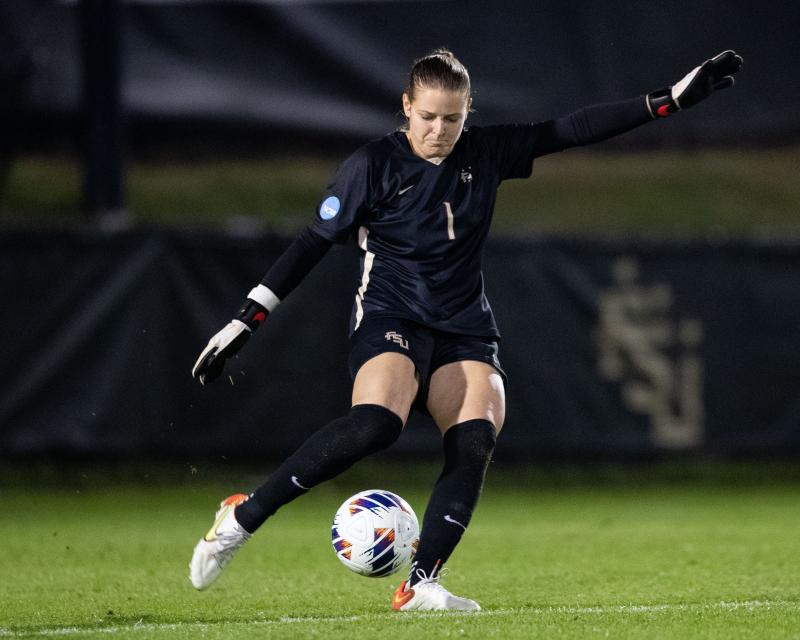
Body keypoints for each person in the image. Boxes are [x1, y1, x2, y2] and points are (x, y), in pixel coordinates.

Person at [188, 48, 742, 611]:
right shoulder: (373, 164)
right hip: (391, 314)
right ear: (406, 106)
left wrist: (667, 101)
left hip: (463, 324)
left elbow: (570, 128)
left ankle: (420, 582)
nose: (439, 129)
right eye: (427, 116)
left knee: (476, 435)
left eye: (452, 118)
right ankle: (241, 518)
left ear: (467, 111)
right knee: (375, 426)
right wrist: (246, 319)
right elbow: (311, 243)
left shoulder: (485, 152)